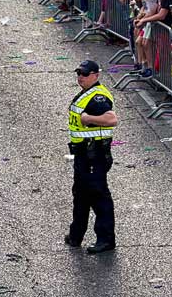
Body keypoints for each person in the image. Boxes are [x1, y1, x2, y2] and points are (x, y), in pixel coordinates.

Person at [64, 59, 117, 253]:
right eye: (79, 74)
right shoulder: (87, 93)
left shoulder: (98, 96)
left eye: (84, 74)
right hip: (84, 155)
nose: (80, 78)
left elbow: (112, 119)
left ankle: (106, 240)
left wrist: (89, 119)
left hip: (95, 154)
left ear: (96, 75)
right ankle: (76, 235)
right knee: (80, 195)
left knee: (98, 196)